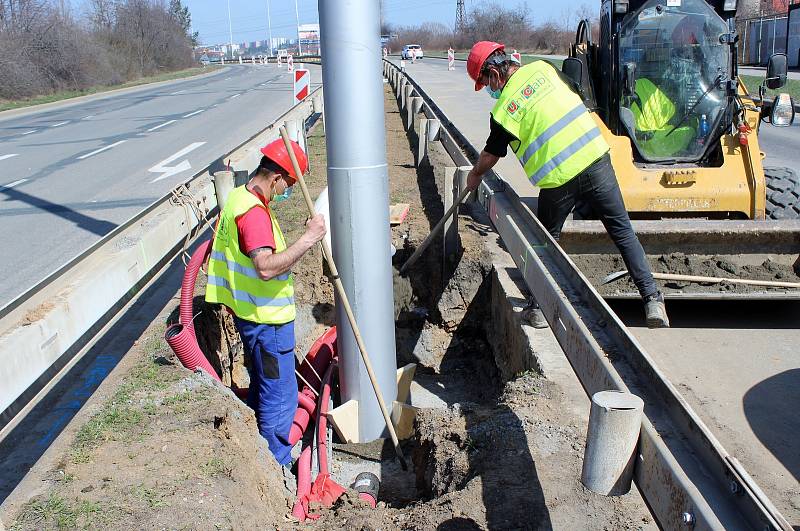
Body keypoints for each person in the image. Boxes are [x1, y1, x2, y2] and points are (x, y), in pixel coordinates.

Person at [464, 41, 669, 328]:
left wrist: (474, 176)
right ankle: (653, 301)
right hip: (596, 159)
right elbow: (575, 93)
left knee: (546, 244)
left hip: (559, 180)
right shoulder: (544, 68)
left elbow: (490, 155)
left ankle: (539, 309)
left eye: (485, 82)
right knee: (622, 231)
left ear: (494, 75)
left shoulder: (503, 111)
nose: (488, 89)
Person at [205, 139, 327, 467]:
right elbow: (265, 267)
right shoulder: (254, 214)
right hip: (268, 323)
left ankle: (265, 444)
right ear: (275, 178)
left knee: (263, 383)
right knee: (282, 397)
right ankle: (277, 463)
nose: (285, 193)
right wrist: (309, 239)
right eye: (286, 186)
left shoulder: (239, 197)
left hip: (251, 317)